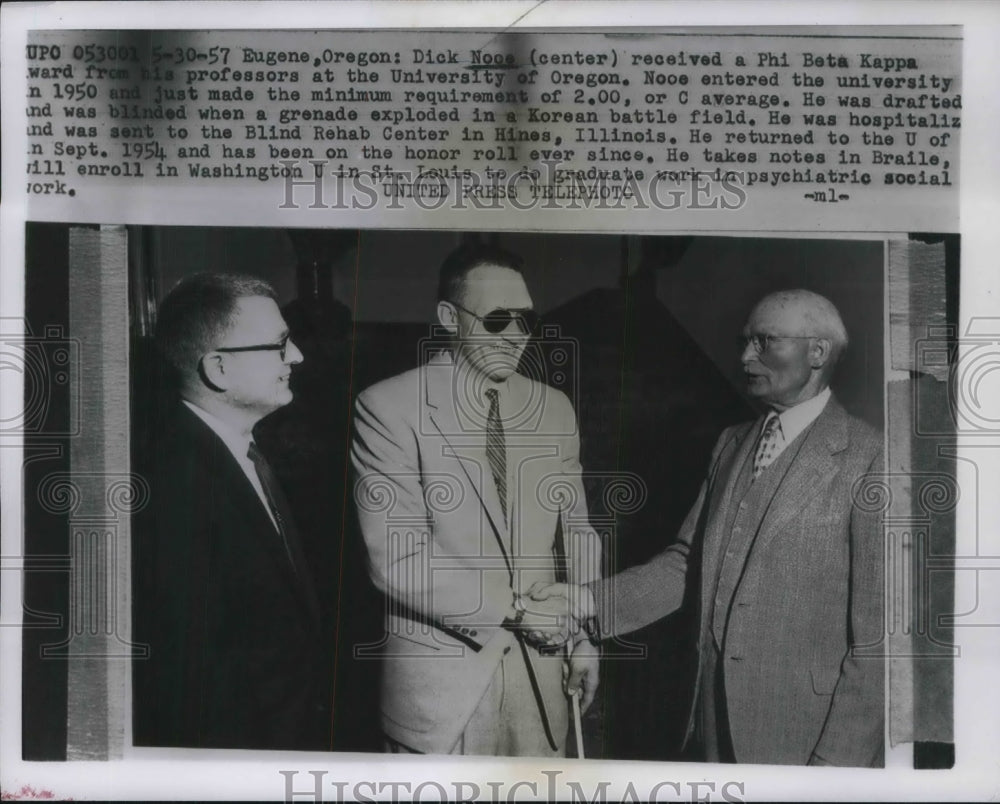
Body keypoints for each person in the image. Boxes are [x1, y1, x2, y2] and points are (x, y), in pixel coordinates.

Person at [529, 289, 885, 766]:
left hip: (804, 741)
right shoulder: (731, 443)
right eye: (744, 341)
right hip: (709, 727)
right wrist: (586, 601)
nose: (744, 356)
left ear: (817, 352)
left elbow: (881, 643)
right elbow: (685, 564)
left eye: (764, 342)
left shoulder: (871, 458)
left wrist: (835, 769)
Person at [350, 243, 602, 757]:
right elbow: (397, 558)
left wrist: (582, 636)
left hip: (543, 681)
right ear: (448, 317)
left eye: (526, 320)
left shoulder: (553, 408)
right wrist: (515, 609)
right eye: (496, 320)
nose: (514, 337)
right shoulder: (387, 406)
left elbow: (577, 533)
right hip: (442, 698)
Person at [132, 273, 328, 750]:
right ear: (217, 369)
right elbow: (190, 680)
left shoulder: (235, 449)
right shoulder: (173, 481)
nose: (297, 356)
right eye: (280, 345)